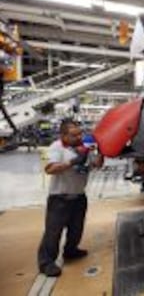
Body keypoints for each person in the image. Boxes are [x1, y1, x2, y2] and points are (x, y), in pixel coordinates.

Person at [37, 119, 103, 277]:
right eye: (74, 135)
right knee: (53, 233)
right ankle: (46, 263)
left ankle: (70, 251)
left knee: (76, 229)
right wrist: (72, 161)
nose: (79, 137)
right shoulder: (55, 148)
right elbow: (50, 169)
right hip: (60, 197)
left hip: (79, 196)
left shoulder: (84, 148)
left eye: (80, 133)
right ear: (63, 136)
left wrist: (101, 153)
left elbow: (96, 165)